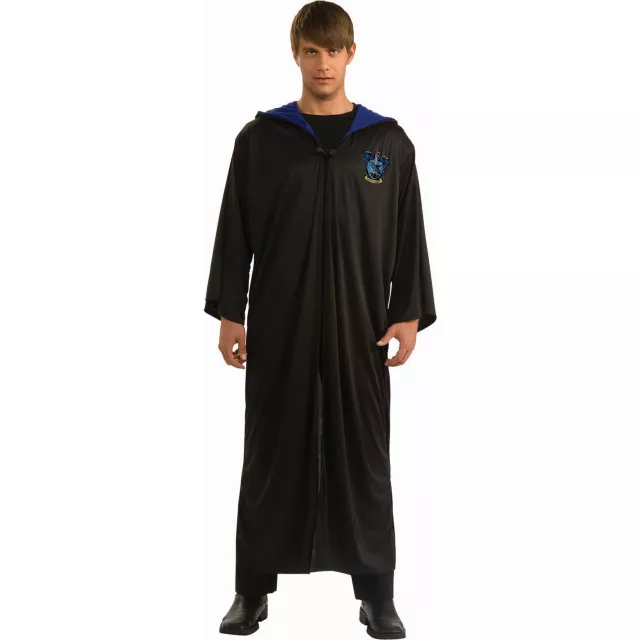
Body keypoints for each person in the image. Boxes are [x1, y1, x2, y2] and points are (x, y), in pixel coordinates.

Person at [204, 2, 436, 637]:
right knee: (270, 452)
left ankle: (377, 595)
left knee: (365, 456)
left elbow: (409, 233)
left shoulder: (386, 142)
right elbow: (235, 229)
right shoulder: (262, 140)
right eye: (312, 51)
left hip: (360, 327)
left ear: (351, 54)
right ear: (296, 54)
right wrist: (230, 312)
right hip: (281, 324)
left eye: (334, 51)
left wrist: (407, 312)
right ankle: (252, 590)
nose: (323, 63)